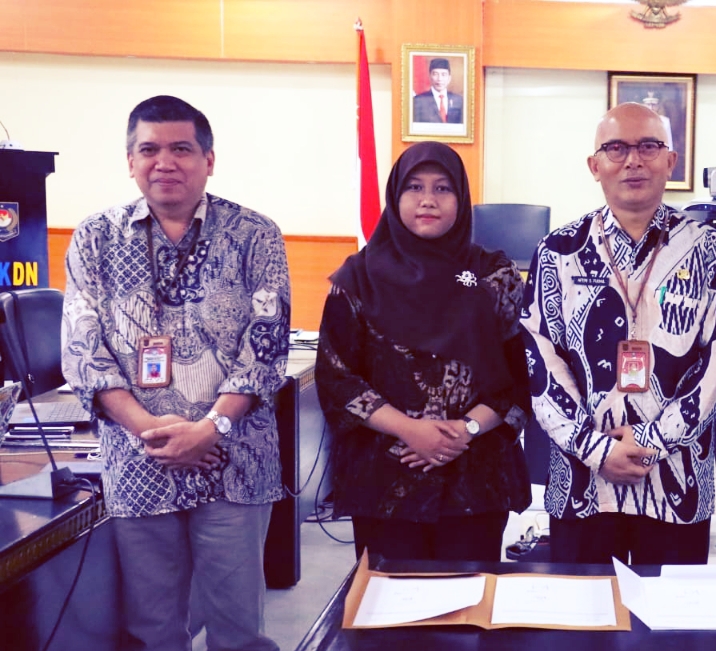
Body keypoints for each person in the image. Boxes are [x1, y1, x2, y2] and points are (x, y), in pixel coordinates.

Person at [61, 95, 289, 650]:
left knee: (238, 631)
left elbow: (266, 347)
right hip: (140, 461)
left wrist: (211, 429)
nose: (164, 162)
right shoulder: (95, 237)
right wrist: (150, 431)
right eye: (149, 150)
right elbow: (83, 350)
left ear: (209, 160)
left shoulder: (254, 234)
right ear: (130, 161)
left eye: (181, 149)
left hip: (233, 461)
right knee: (154, 631)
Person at [521, 102, 716, 565]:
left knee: (671, 611)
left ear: (670, 161)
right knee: (584, 609)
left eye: (649, 147)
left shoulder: (711, 251)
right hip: (583, 483)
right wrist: (595, 448)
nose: (633, 160)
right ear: (594, 165)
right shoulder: (558, 251)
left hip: (677, 479)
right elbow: (540, 360)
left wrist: (653, 441)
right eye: (616, 148)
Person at [316, 141, 531, 562]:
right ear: (395, 196)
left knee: (470, 596)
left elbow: (520, 375)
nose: (427, 200)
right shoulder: (358, 277)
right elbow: (336, 378)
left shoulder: (494, 275)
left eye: (442, 188)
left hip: (476, 478)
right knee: (388, 597)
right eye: (414, 187)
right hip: (384, 477)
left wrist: (465, 431)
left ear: (461, 198)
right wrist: (409, 429)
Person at [412, 58, 463, 124]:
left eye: (443, 74)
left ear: (449, 78)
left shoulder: (458, 100)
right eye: (435, 74)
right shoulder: (418, 101)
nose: (439, 79)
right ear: (430, 77)